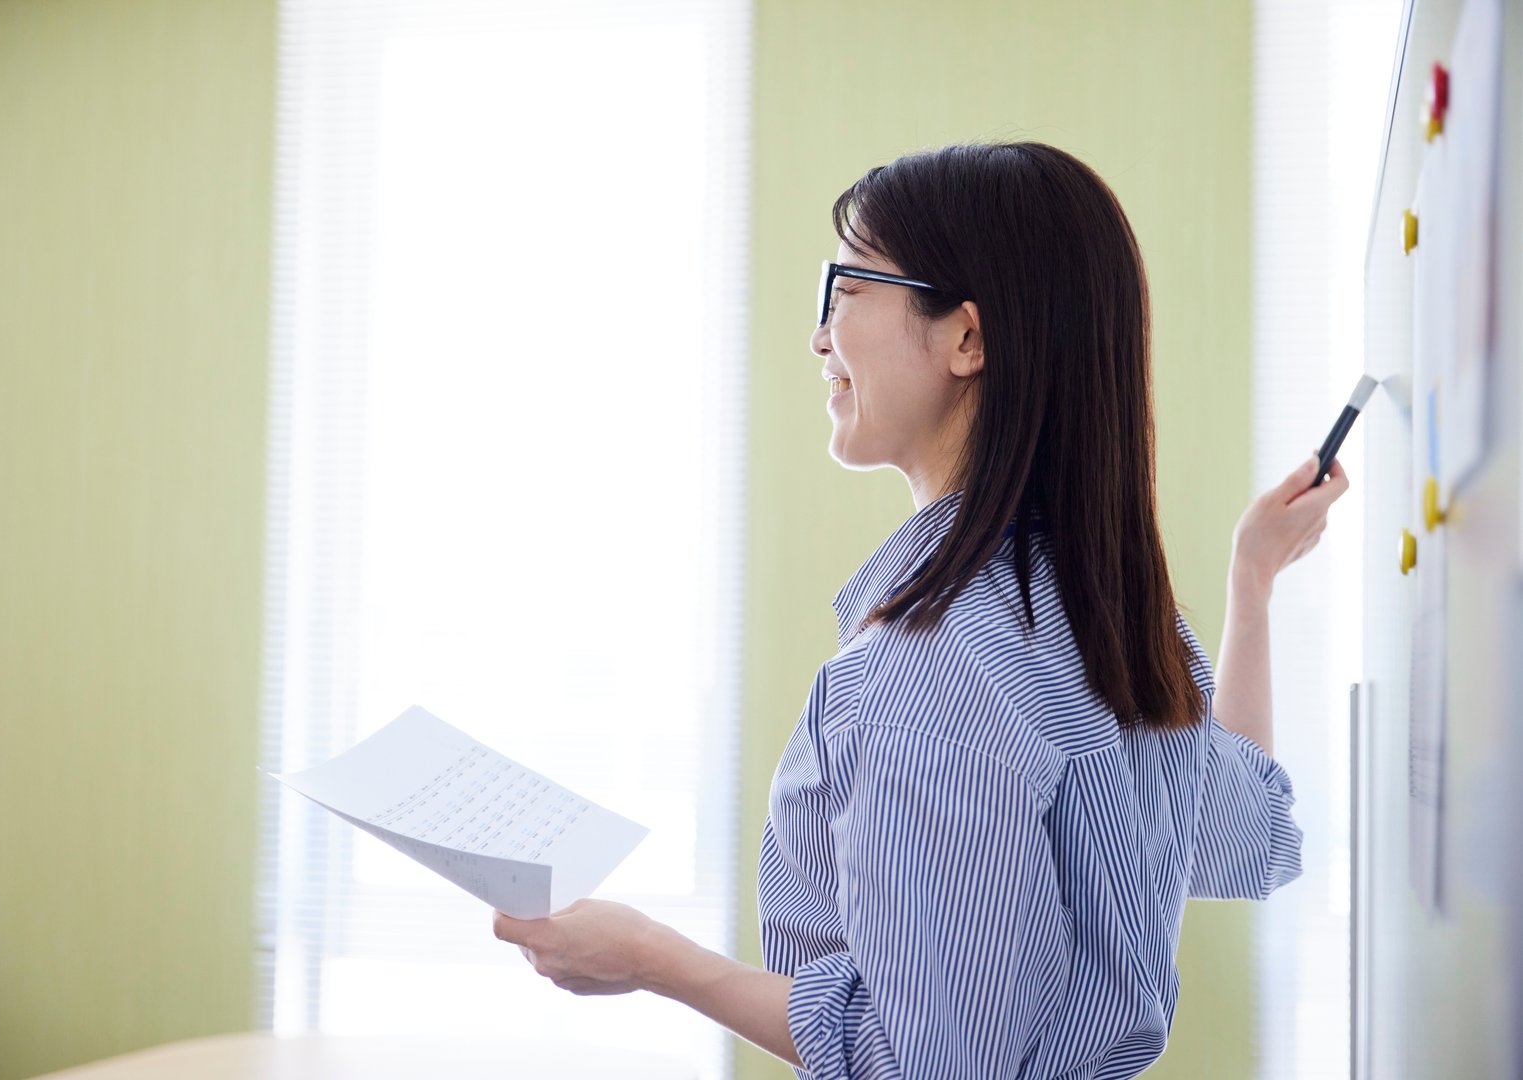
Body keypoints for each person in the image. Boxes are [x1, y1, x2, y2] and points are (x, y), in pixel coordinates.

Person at [492, 141, 1349, 1079]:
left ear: (966, 339)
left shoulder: (930, 666)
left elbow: (924, 1063)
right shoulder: (1107, 619)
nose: (821, 337)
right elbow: (1249, 834)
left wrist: (655, 960)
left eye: (847, 288)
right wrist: (1250, 585)